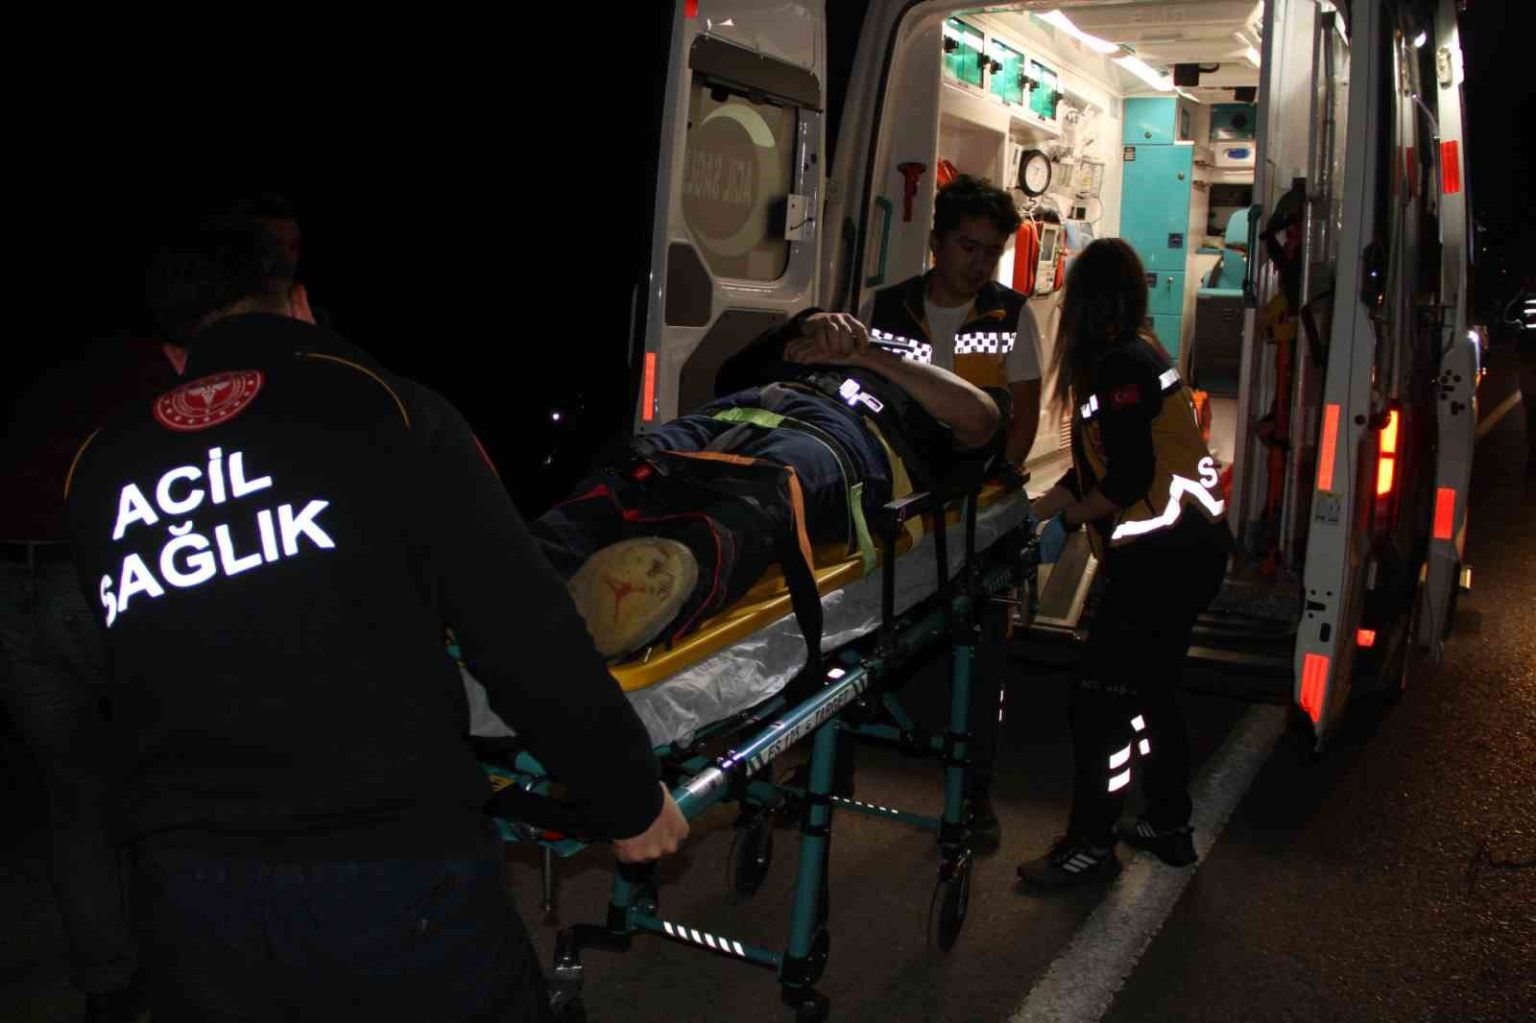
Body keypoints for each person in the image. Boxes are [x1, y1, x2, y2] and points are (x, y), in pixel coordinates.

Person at [63, 216, 686, 1022]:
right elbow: (523, 632)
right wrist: (628, 794)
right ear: (299, 304)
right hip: (389, 872)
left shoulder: (99, 467)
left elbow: (113, 668)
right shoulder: (385, 408)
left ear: (173, 353)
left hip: (186, 895)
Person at [536, 308, 1006, 665]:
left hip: (839, 435)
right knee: (636, 465)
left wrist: (867, 357)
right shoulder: (813, 347)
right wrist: (809, 324)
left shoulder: (921, 409)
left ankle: (660, 587)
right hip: (744, 407)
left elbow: (981, 416)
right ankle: (530, 567)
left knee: (768, 490)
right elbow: (731, 374)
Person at [1015, 238, 1230, 891]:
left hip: (1162, 561)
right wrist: (1048, 504)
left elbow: (1131, 474)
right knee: (1153, 694)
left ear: (1086, 301)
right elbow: (1102, 459)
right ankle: (1167, 823)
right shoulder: (1134, 353)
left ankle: (1090, 843)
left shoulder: (1119, 365)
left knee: (1099, 702)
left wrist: (1071, 520)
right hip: (1187, 552)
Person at [0, 332, 182, 1022]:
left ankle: (109, 982)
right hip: (85, 579)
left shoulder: (46, 369)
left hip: (9, 585)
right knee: (168, 771)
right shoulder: (145, 373)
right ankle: (185, 959)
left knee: (74, 794)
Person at [859, 174, 1044, 468]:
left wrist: (1003, 475)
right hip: (903, 470)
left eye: (992, 252)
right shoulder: (884, 309)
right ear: (937, 242)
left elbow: (1026, 414)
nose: (980, 264)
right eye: (968, 248)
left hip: (979, 475)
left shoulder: (1013, 315)